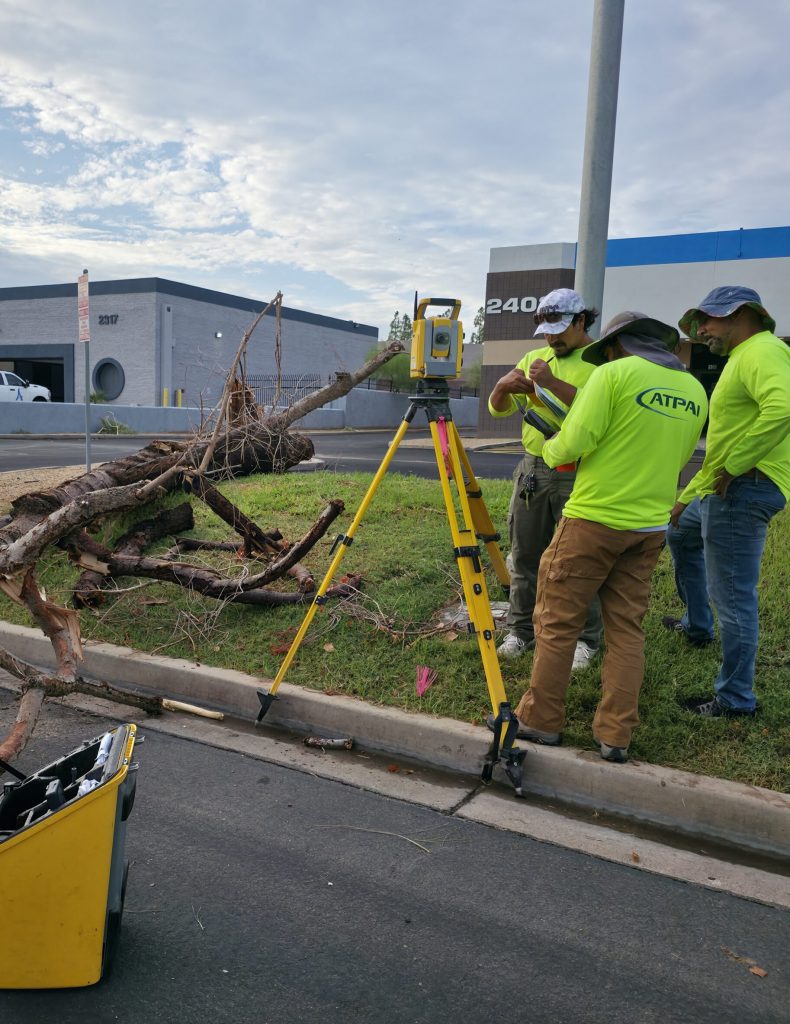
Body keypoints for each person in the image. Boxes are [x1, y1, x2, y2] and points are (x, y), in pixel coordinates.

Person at [501, 312, 707, 763]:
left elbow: (575, 441)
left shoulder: (612, 374)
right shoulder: (694, 389)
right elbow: (682, 453)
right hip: (649, 527)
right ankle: (616, 734)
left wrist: (552, 449)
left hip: (593, 520)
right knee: (626, 630)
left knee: (556, 622)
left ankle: (541, 721)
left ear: (615, 346)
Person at [665, 286, 790, 717]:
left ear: (741, 313)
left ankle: (736, 699)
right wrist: (686, 498)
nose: (701, 331)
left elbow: (783, 407)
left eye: (708, 320)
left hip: (742, 488)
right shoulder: (742, 358)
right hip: (727, 485)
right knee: (679, 533)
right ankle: (698, 626)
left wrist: (734, 467)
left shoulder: (762, 351)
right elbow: (721, 446)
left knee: (734, 598)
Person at [488, 288, 603, 671]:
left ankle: (585, 640)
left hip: (580, 472)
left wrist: (551, 384)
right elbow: (498, 407)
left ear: (581, 320)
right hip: (533, 469)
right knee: (524, 556)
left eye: (560, 329)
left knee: (577, 560)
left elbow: (600, 416)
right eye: (547, 331)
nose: (552, 339)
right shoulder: (535, 357)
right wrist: (503, 387)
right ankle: (520, 631)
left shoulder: (604, 361)